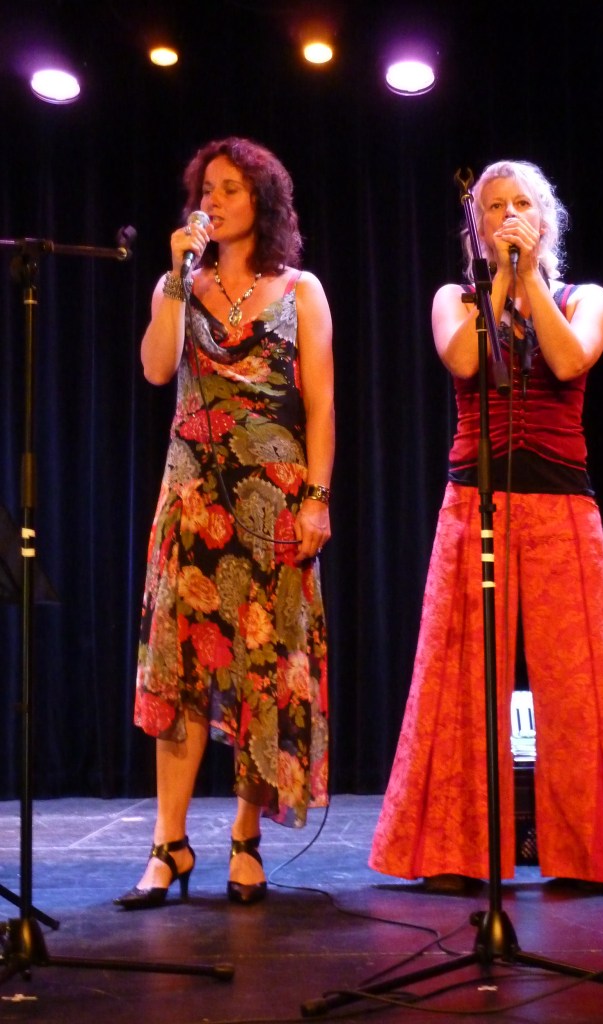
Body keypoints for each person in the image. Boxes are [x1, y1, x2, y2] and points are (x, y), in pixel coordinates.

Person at [369, 159, 603, 892]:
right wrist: (500, 282)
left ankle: (590, 855)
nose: (508, 215)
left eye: (521, 204)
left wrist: (528, 277)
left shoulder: (584, 298)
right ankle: (456, 852)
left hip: (562, 500)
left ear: (546, 219)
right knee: (462, 677)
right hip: (475, 500)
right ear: (475, 228)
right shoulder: (455, 300)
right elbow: (465, 359)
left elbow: (568, 359)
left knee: (578, 678)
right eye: (493, 207)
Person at [115, 137, 334, 909]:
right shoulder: (178, 285)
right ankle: (168, 845)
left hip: (271, 497)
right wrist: (177, 280)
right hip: (191, 499)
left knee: (261, 673)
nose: (214, 200)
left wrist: (317, 497)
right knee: (177, 671)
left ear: (262, 201)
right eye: (207, 188)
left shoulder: (301, 290)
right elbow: (155, 369)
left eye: (231, 188)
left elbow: (320, 404)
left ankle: (246, 839)